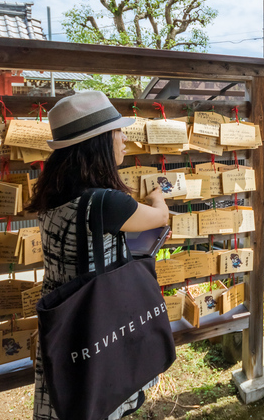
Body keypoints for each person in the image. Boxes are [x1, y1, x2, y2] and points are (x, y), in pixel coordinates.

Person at [27, 91, 169, 420]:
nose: (124, 140)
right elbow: (159, 218)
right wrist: (158, 195)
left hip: (65, 320)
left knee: (72, 400)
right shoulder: (106, 202)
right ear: (100, 142)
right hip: (99, 321)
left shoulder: (52, 194)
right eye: (118, 132)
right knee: (100, 396)